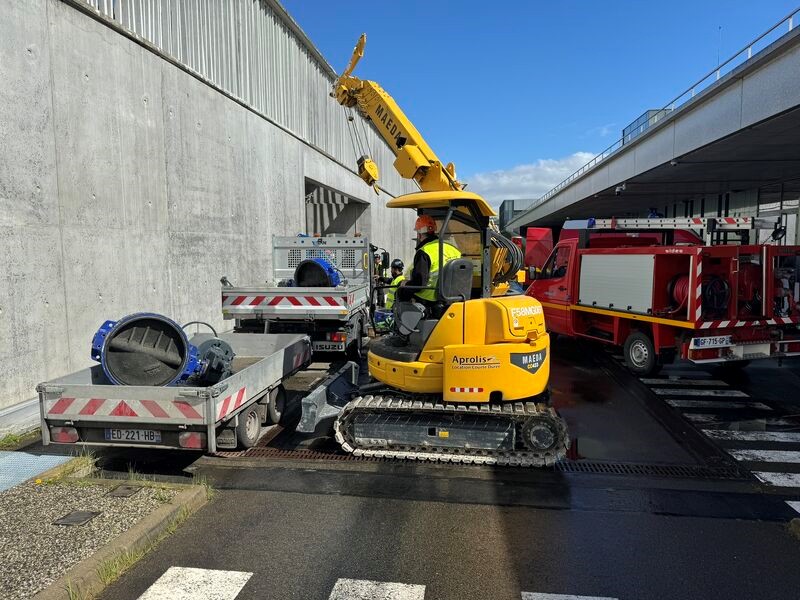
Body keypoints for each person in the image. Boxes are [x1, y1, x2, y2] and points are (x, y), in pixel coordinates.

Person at [398, 214, 462, 309]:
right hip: (450, 297)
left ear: (419, 234)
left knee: (401, 291)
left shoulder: (424, 252)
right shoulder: (454, 249)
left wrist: (404, 283)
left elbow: (419, 284)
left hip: (430, 298)